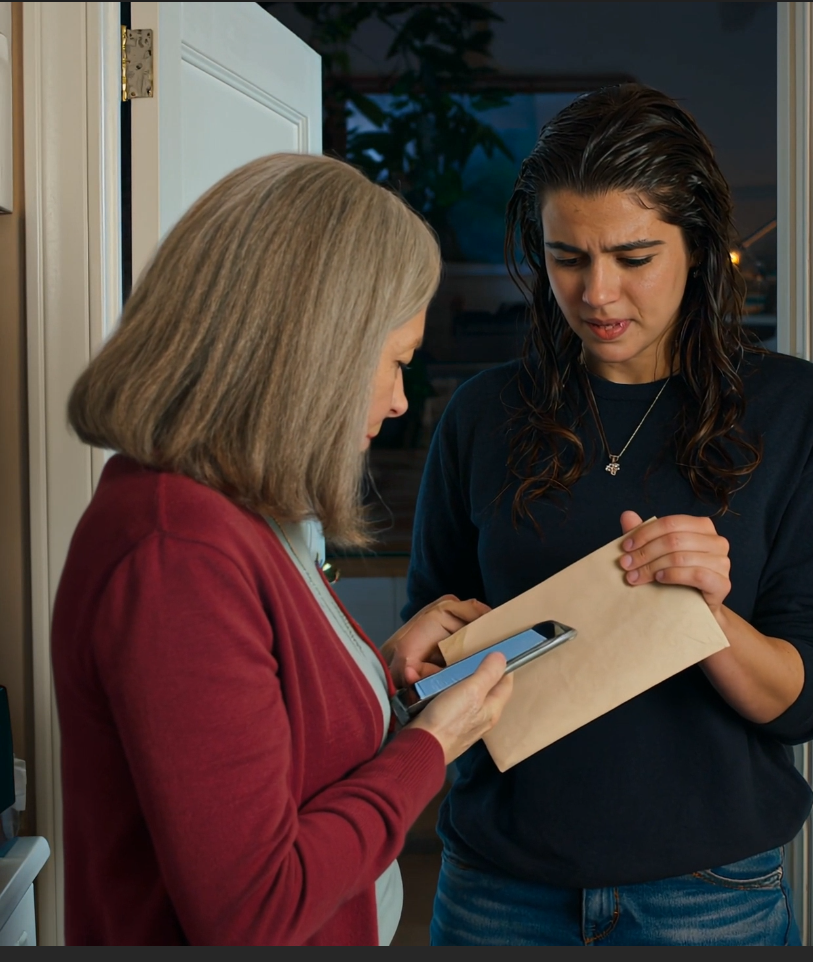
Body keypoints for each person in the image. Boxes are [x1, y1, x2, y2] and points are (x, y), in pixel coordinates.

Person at [399, 84, 813, 946]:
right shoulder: (480, 414)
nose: (597, 293)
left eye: (633, 255)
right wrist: (424, 666)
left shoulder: (797, 412)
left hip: (711, 894)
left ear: (697, 245)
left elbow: (812, 700)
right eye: (566, 257)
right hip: (498, 888)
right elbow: (425, 671)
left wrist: (707, 618)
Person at [50, 153, 512, 946]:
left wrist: (387, 675)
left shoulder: (235, 512)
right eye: (396, 361)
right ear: (314, 352)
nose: (401, 399)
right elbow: (252, 912)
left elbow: (265, 734)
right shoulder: (176, 555)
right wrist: (430, 747)